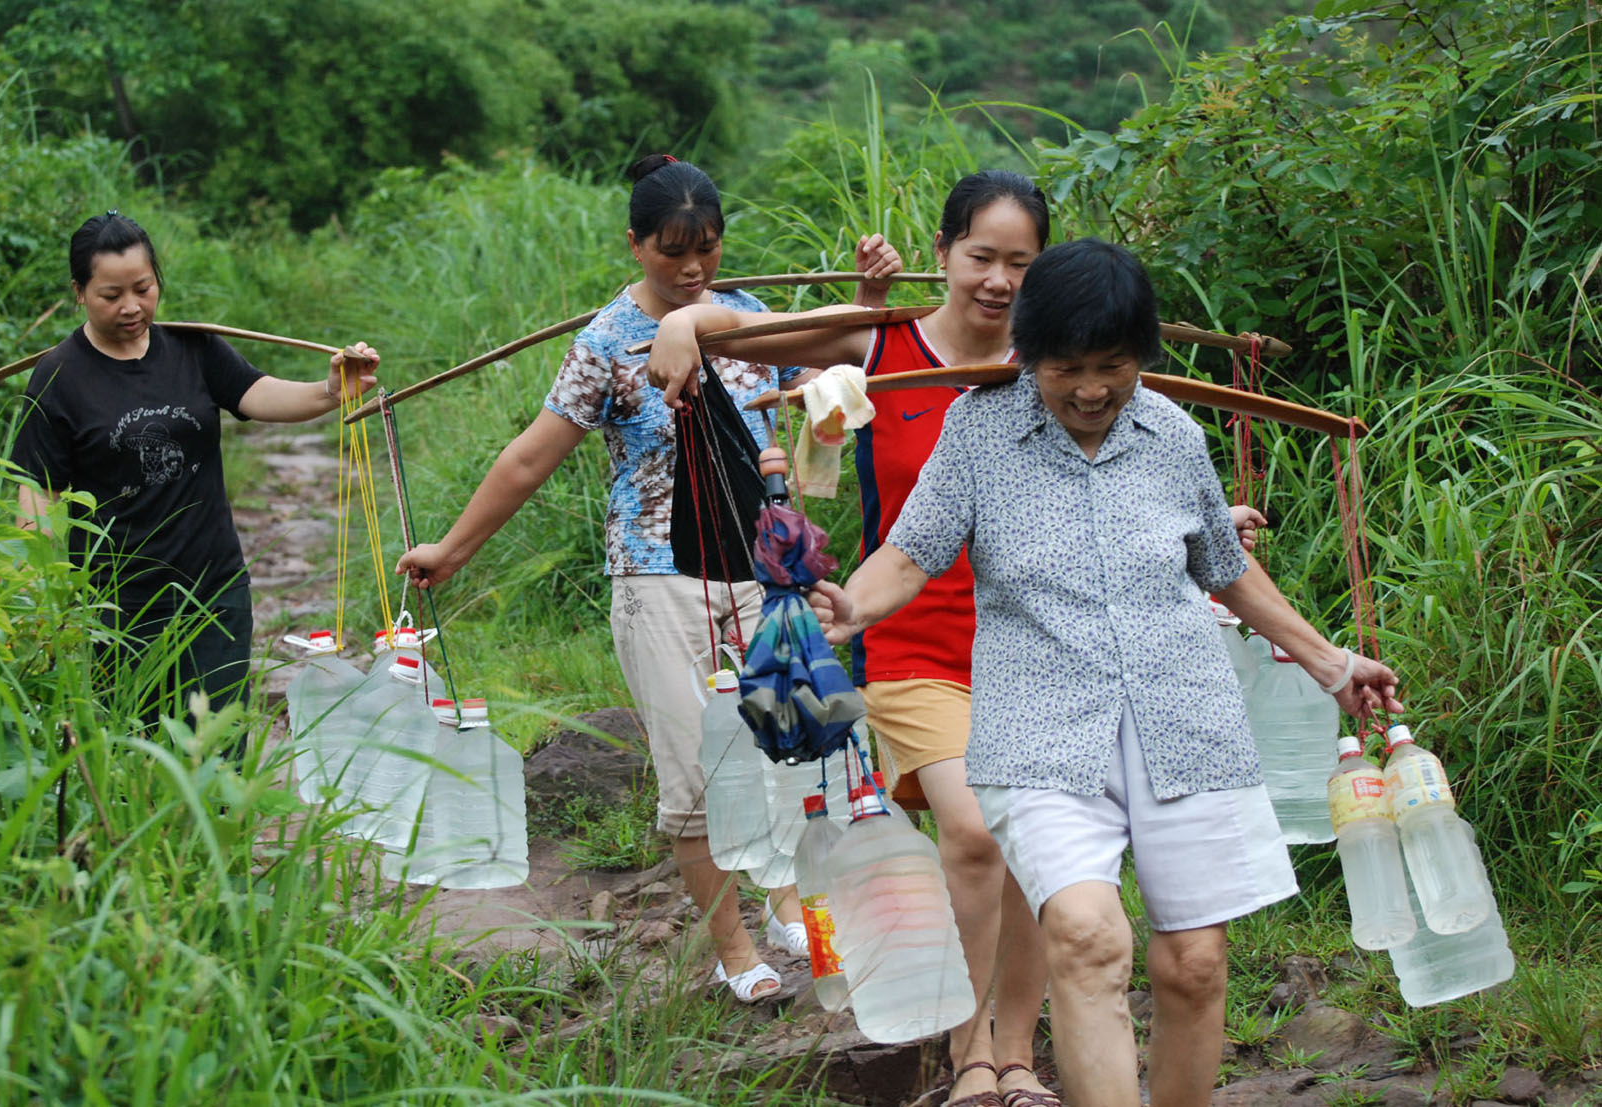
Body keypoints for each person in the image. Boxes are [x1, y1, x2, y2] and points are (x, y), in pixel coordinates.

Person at [803, 237, 1403, 1107]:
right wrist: (850, 607)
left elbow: (1224, 564)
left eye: (1113, 366)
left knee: (1193, 963)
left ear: (1144, 357)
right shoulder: (978, 430)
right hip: (1042, 729)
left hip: (1184, 720)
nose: (1090, 389)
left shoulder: (1173, 433)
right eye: (1066, 368)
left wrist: (1330, 661)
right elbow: (910, 550)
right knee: (1086, 935)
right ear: (1027, 355)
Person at [395, 155, 901, 1002]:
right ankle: (734, 949)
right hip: (658, 577)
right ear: (635, 245)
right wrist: (453, 549)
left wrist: (869, 305)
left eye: (706, 247)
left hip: (765, 571)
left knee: (793, 752)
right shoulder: (604, 344)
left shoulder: (746, 320)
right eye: (673, 251)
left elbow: (832, 387)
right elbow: (530, 457)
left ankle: (791, 911)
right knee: (698, 772)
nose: (693, 267)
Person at [648, 170, 1071, 1107]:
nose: (999, 281)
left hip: (1034, 647)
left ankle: (1019, 1057)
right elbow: (741, 333)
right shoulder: (881, 344)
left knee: (1028, 842)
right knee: (970, 830)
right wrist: (686, 323)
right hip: (910, 640)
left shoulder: (1055, 362)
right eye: (981, 257)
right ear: (944, 255)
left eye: (1020, 263)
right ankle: (971, 1054)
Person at [11, 211, 379, 730]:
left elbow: (255, 393)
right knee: (137, 756)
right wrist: (41, 597)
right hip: (117, 608)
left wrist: (330, 392)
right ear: (79, 292)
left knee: (218, 746)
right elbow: (38, 493)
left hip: (213, 591)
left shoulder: (192, 347)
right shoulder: (58, 377)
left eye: (143, 287)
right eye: (111, 295)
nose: (132, 306)